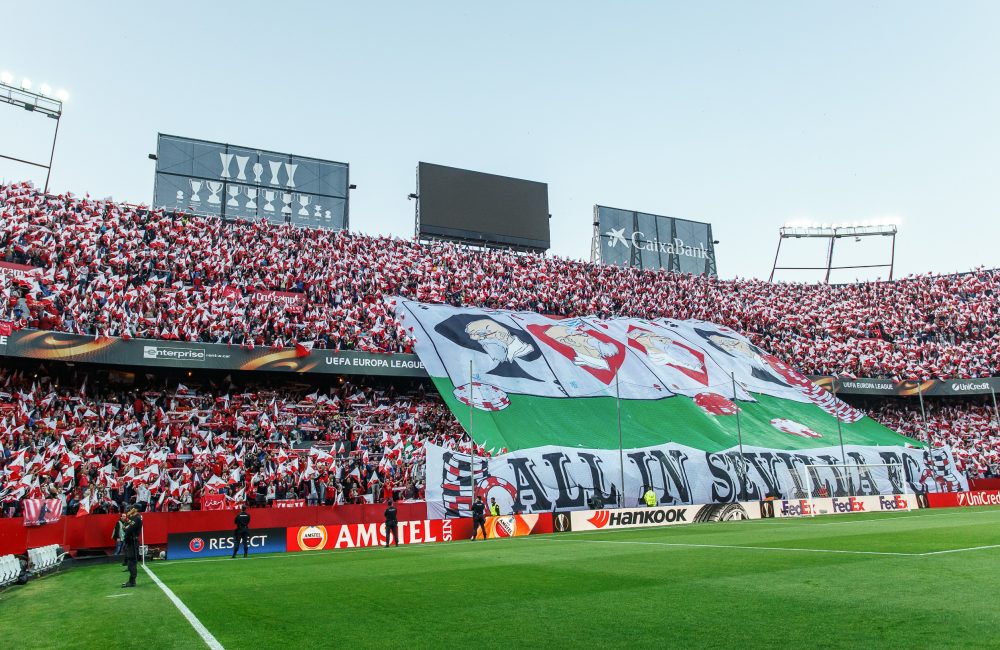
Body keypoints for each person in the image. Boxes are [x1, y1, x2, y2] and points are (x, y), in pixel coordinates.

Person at [121, 505, 143, 588]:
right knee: (130, 562)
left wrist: (126, 528)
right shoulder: (132, 517)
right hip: (129, 541)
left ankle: (132, 581)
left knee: (132, 563)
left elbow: (129, 529)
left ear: (136, 509)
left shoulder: (137, 518)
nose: (130, 510)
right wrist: (126, 528)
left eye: (132, 508)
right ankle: (131, 581)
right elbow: (124, 527)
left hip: (133, 542)